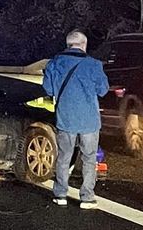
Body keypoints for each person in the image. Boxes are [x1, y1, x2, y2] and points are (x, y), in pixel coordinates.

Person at [43, 30, 109, 210]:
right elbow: (103, 90)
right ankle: (87, 197)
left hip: (65, 118)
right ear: (84, 45)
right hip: (89, 120)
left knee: (64, 157)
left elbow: (48, 89)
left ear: (68, 44)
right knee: (89, 159)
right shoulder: (94, 65)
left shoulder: (54, 64)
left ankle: (60, 194)